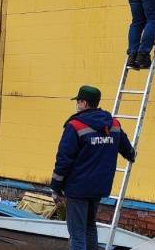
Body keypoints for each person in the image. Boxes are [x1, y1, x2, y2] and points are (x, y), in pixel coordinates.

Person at [51, 85, 135, 250]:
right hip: (99, 187)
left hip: (78, 189)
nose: (77, 105)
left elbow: (64, 160)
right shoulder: (114, 124)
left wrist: (55, 187)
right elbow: (128, 150)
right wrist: (131, 155)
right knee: (90, 227)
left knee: (77, 234)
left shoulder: (75, 126)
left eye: (79, 101)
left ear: (84, 103)